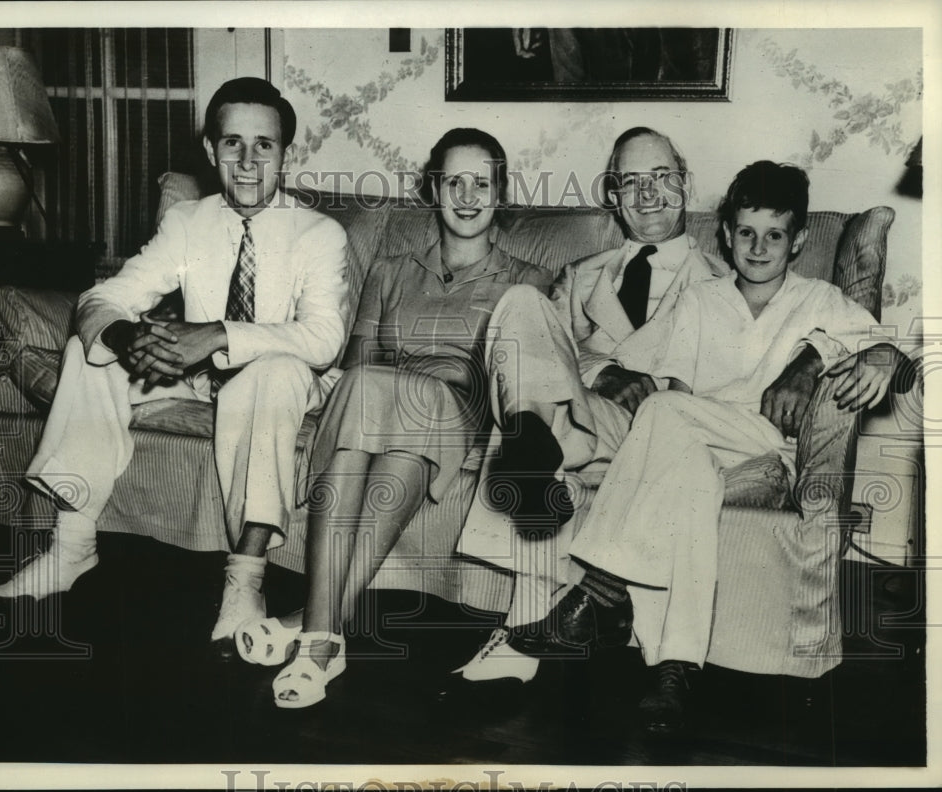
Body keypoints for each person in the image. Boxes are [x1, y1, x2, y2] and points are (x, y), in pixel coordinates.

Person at [449, 129, 838, 694]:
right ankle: (535, 461)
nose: (648, 193)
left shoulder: (724, 276)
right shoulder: (582, 275)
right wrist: (604, 372)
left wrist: (813, 359)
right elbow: (539, 356)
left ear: (686, 184)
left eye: (662, 178)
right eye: (632, 181)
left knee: (648, 421)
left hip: (680, 426)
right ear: (613, 194)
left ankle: (530, 625)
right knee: (521, 308)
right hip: (592, 418)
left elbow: (852, 334)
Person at [0, 78, 350, 653]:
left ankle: (245, 580)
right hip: (196, 380)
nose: (249, 161)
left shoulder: (318, 233)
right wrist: (127, 333)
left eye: (265, 145)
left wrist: (213, 335)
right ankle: (72, 547)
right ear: (211, 152)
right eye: (233, 144)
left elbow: (324, 338)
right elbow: (103, 296)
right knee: (91, 353)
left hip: (282, 379)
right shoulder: (188, 221)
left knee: (275, 371)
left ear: (287, 153)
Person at [565, 160, 911, 730]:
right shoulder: (699, 298)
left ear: (798, 239)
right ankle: (675, 668)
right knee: (681, 465)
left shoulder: (820, 299)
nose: (757, 247)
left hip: (765, 453)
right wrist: (602, 373)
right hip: (691, 445)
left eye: (774, 234)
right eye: (745, 232)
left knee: (663, 411)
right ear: (726, 234)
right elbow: (620, 362)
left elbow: (891, 355)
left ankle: (602, 586)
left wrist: (867, 355)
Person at [231, 128, 552, 709]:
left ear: (501, 192)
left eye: (482, 182)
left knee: (387, 400)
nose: (468, 194)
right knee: (373, 408)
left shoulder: (529, 280)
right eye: (454, 180)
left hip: (458, 411)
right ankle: (323, 637)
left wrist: (409, 383)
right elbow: (358, 364)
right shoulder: (391, 269)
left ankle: (313, 628)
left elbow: (514, 380)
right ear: (434, 188)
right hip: (386, 414)